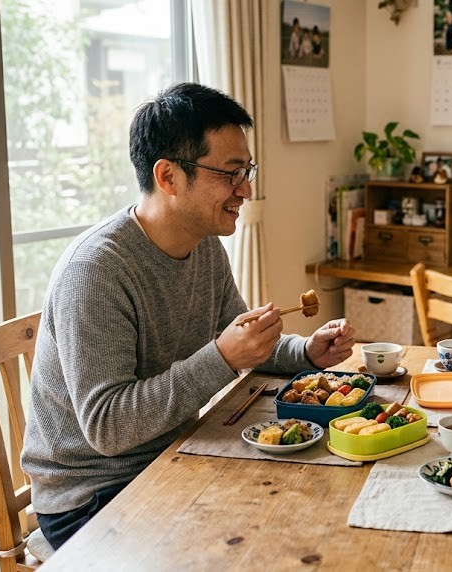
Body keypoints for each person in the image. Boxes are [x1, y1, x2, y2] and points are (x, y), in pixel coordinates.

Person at [21, 83, 356, 549]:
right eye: (231, 172)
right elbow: (107, 427)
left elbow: (240, 339)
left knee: (314, 505)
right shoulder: (96, 271)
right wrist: (222, 358)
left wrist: (306, 352)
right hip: (93, 495)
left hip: (174, 454)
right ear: (169, 176)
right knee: (263, 542)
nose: (247, 189)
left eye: (248, 170)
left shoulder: (205, 247)